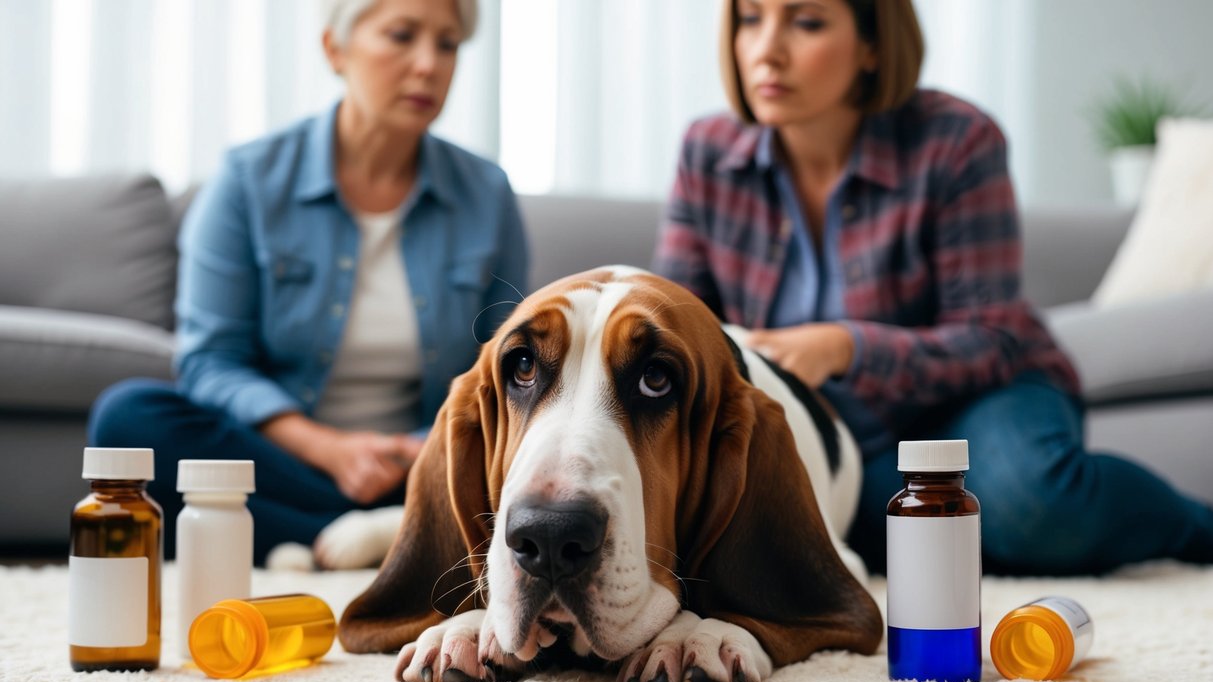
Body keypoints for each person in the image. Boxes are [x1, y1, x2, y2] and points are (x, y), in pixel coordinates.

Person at [653, 0, 1213, 575]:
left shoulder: (958, 140)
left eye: (807, 21)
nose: (766, 50)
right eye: (750, 19)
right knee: (842, 523)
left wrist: (845, 348)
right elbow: (676, 326)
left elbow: (989, 340)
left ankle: (1198, 526)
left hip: (981, 397)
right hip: (842, 435)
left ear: (873, 46)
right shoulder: (707, 150)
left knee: (1031, 501)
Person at [89, 0, 528, 566]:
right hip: (286, 456)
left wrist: (422, 448)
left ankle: (321, 537)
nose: (428, 64)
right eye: (401, 36)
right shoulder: (248, 180)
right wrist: (332, 451)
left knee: (532, 447)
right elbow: (211, 361)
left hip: (424, 462)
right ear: (335, 49)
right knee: (127, 419)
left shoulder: (487, 194)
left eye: (447, 45)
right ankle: (389, 541)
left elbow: (509, 363)